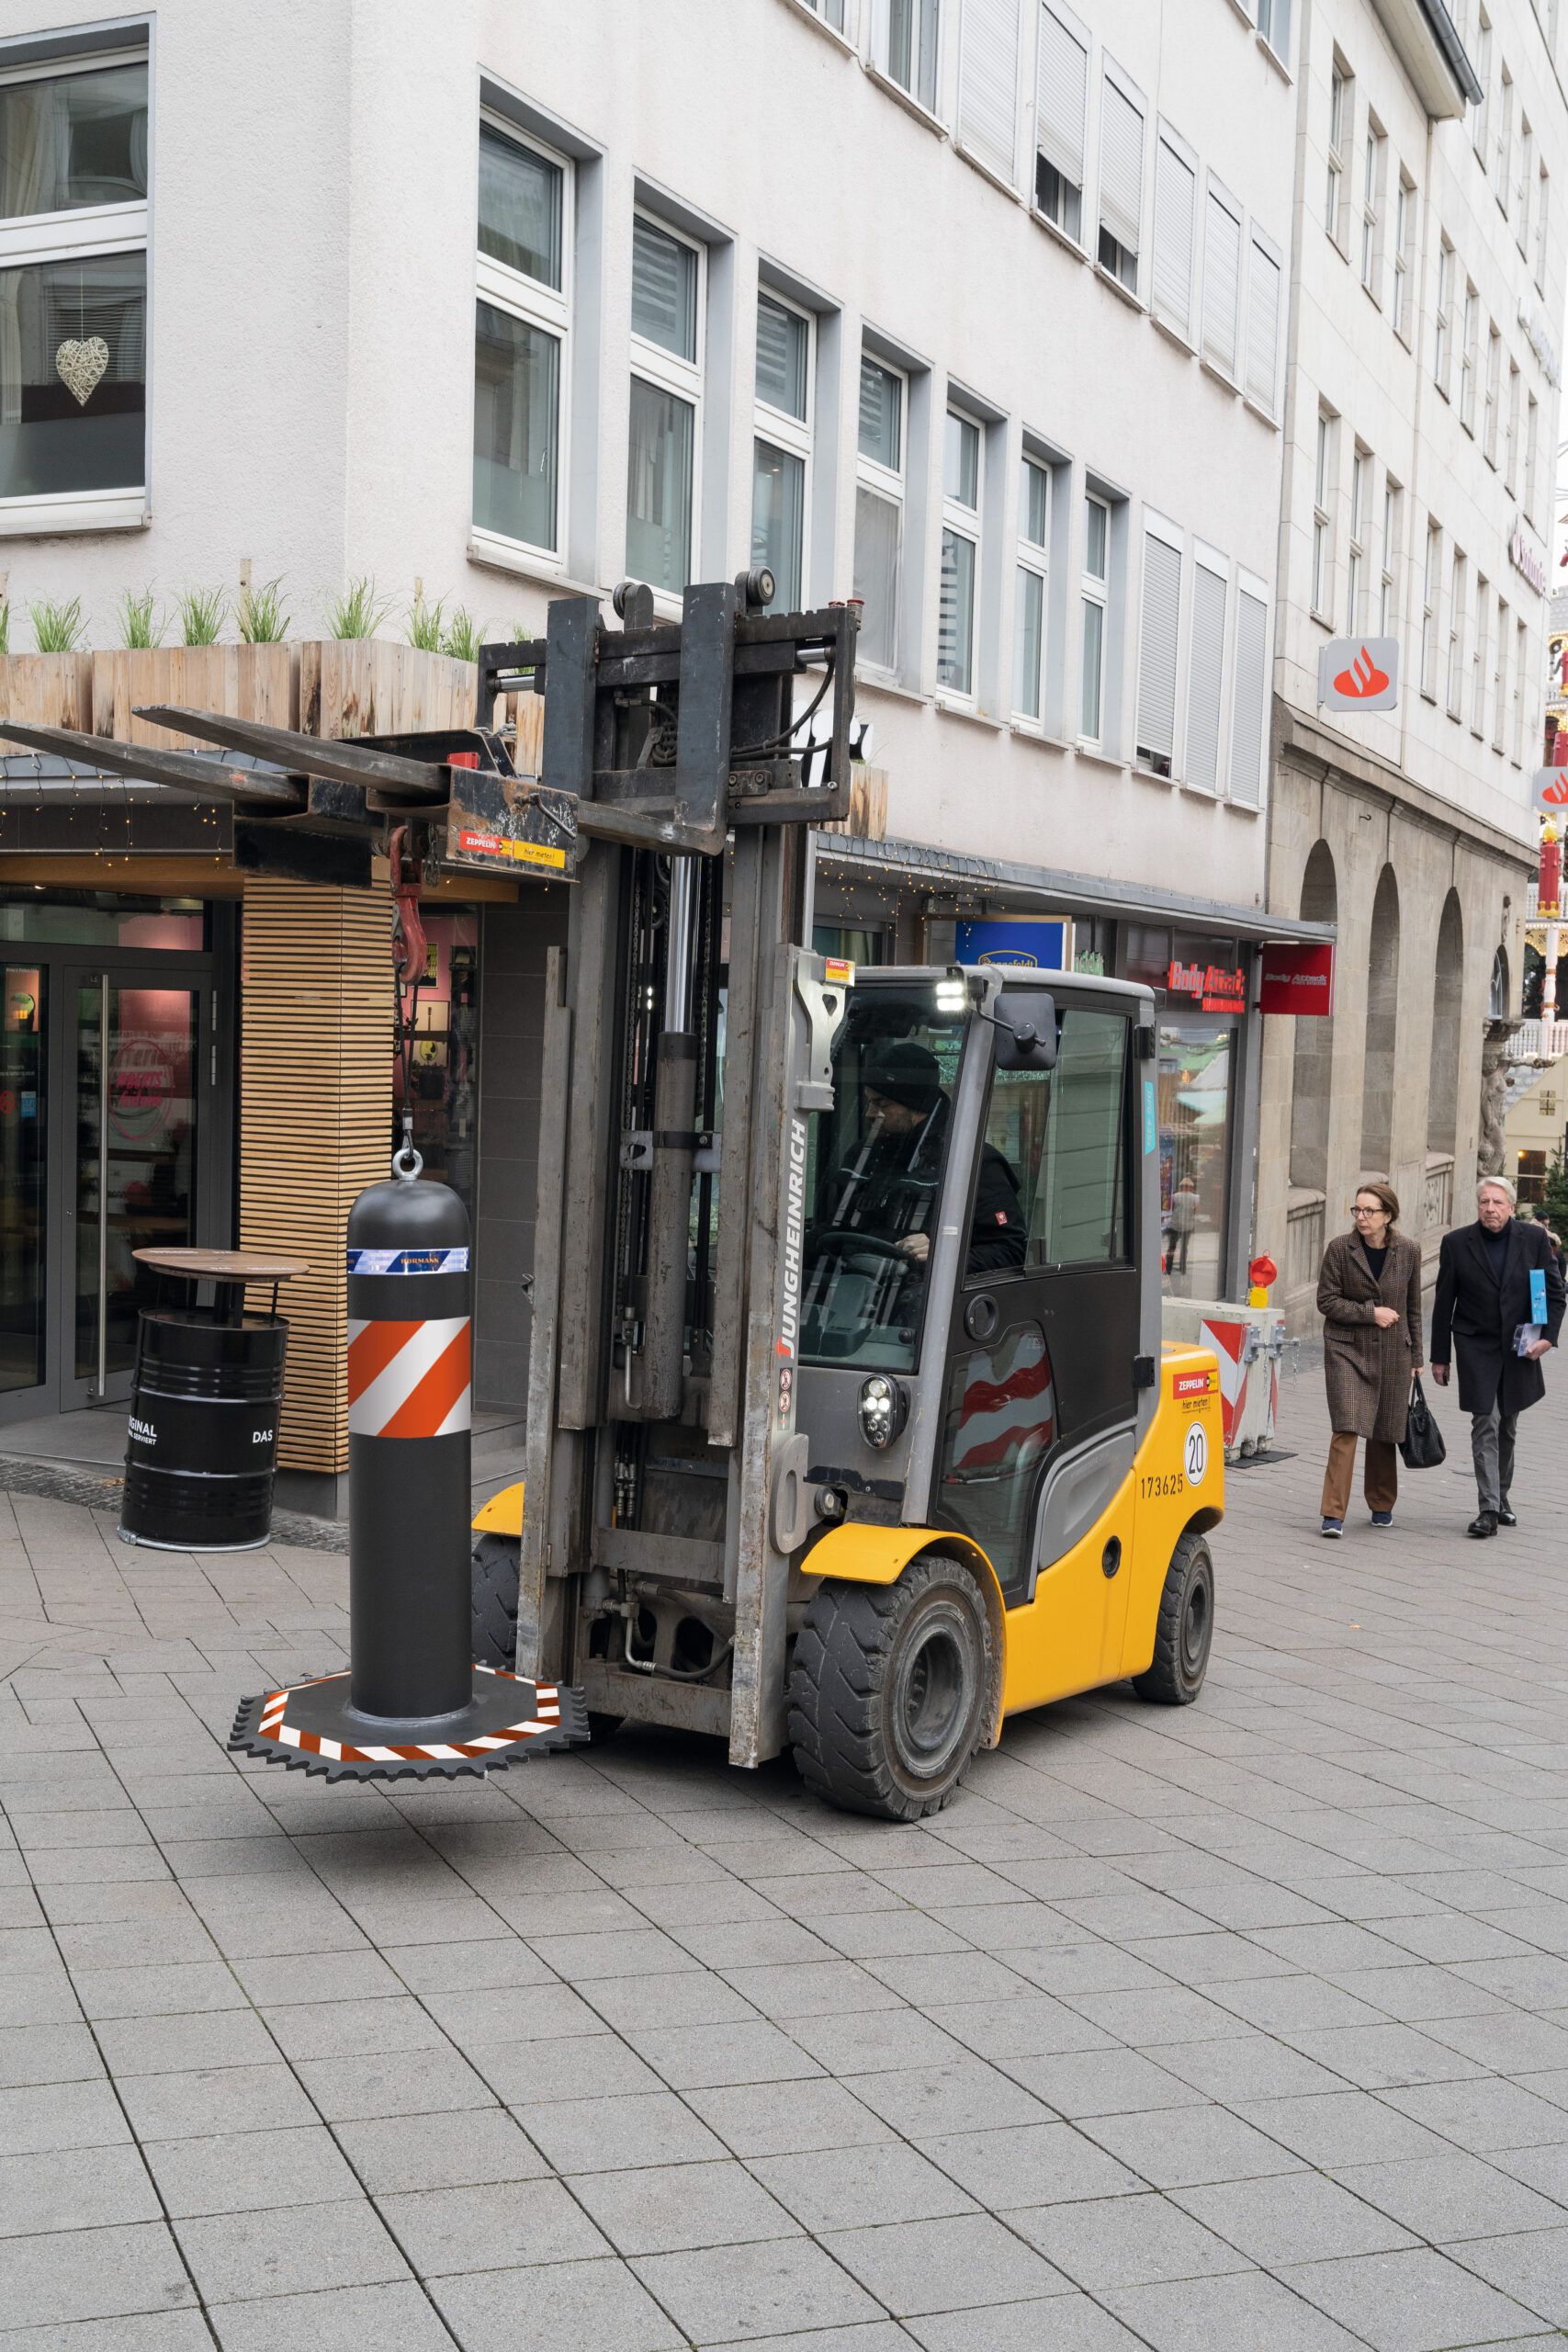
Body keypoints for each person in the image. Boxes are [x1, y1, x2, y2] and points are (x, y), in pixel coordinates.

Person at [1431, 1175, 1565, 1536]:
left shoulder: (1534, 1239)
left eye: (1497, 1203)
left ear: (1510, 1206)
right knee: (1485, 1421)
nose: (1490, 1209)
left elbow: (1553, 1292)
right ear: (1478, 1206)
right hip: (1475, 1345)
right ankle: (1487, 1509)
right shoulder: (1457, 1243)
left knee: (1507, 1424)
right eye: (1484, 1202)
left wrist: (1548, 1338)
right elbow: (1444, 1303)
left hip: (1520, 1345)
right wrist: (1440, 1357)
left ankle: (1502, 1497)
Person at [823, 1039, 1026, 1276]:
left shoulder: (970, 1162)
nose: (870, 1113)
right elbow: (831, 1228)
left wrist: (941, 1255)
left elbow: (1010, 1251)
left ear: (916, 1105)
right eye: (869, 1101)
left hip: (922, 1302)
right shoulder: (862, 1156)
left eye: (882, 1104)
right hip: (852, 1293)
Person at [1315, 1183, 1423, 1538]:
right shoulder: (1339, 1249)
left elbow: (1413, 1309)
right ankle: (1333, 1514)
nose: (1361, 1217)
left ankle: (1381, 1503)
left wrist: (1417, 1356)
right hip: (1347, 1349)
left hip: (1394, 1349)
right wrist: (1369, 1312)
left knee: (1384, 1429)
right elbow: (1327, 1302)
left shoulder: (1408, 1250)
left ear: (1387, 1215)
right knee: (1347, 1427)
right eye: (1357, 1210)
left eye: (1369, 1211)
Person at [1167, 1177, 1200, 1274]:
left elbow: (1170, 1209)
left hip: (1175, 1226)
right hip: (1187, 1226)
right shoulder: (1195, 1197)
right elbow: (1197, 1210)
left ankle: (1168, 1268)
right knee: (1185, 1247)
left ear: (1181, 1186)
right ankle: (1183, 1268)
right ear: (1191, 1187)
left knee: (1172, 1247)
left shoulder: (1175, 1196)